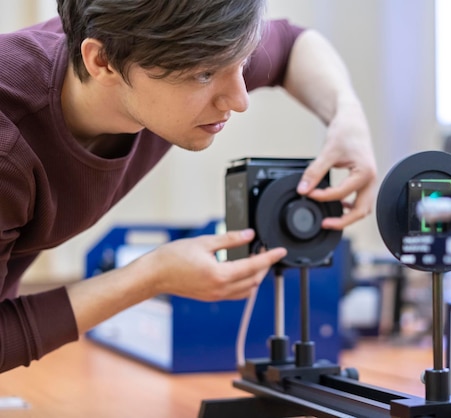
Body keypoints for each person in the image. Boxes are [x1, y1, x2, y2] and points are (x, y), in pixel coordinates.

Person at [0, 0, 376, 373]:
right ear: (102, 62)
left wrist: (348, 117)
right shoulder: (8, 142)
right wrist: (150, 276)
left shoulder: (158, 52)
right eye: (204, 75)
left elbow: (293, 45)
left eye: (242, 62)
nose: (240, 100)